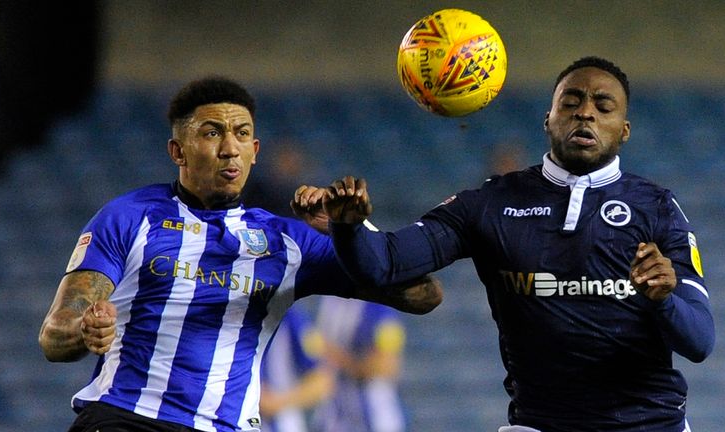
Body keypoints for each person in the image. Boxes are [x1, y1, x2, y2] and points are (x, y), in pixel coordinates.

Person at [295, 57, 715, 431]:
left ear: (623, 131)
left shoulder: (657, 208)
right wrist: (348, 227)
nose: (585, 112)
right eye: (571, 102)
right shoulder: (491, 204)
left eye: (603, 106)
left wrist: (664, 300)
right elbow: (383, 263)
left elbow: (699, 342)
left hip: (650, 425)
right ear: (547, 118)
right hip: (538, 424)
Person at [38, 76, 442, 432]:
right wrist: (84, 331)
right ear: (178, 151)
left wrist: (347, 231)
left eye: (242, 134)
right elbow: (55, 336)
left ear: (255, 149)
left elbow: (423, 294)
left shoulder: (288, 240)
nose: (230, 148)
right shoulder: (128, 217)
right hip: (126, 417)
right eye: (212, 133)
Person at [311, 295, 408, 432]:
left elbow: (387, 365)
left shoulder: (378, 307)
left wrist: (338, 358)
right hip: (333, 413)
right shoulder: (328, 300)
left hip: (374, 417)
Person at [260, 304, 333, 432]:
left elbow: (322, 381)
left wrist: (276, 402)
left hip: (282, 425)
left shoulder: (288, 316)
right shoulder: (220, 315)